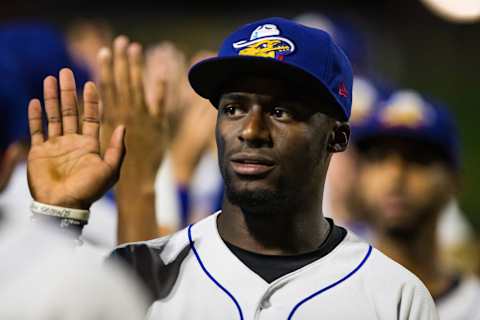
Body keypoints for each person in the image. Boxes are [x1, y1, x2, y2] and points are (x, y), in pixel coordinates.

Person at [27, 17, 438, 319]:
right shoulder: (138, 272)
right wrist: (56, 217)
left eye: (280, 111)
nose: (251, 130)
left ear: (338, 137)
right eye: (234, 108)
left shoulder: (394, 297)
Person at [350, 90, 480, 319]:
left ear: (454, 181)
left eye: (417, 159)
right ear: (359, 177)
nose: (395, 176)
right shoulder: (328, 297)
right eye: (379, 158)